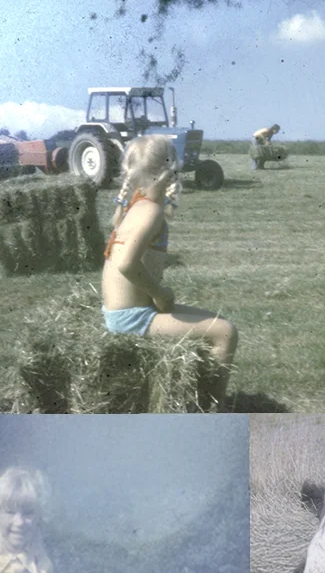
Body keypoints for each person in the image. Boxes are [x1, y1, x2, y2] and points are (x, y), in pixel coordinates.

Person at [101, 134, 238, 410]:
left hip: (125, 312)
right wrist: (161, 293)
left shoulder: (136, 204)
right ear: (170, 169)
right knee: (225, 333)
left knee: (218, 321)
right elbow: (126, 263)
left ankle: (202, 396)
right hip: (132, 318)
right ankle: (216, 407)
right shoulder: (151, 212)